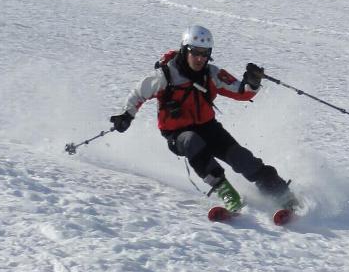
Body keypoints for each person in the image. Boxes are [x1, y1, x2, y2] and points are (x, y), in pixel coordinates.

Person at [109, 24, 295, 214]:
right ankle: (227, 193)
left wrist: (253, 83)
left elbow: (241, 92)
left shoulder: (211, 74)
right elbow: (138, 94)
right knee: (192, 141)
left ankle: (283, 195)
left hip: (209, 127)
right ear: (184, 49)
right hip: (178, 133)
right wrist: (126, 115)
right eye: (195, 52)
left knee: (241, 158)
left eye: (205, 54)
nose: (200, 58)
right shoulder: (165, 75)